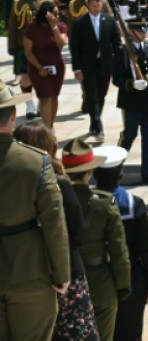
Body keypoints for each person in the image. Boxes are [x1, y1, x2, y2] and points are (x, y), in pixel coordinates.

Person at [13, 121, 98, 341]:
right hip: (65, 275)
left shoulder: (15, 181)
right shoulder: (59, 183)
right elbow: (76, 231)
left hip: (27, 272)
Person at [0, 81, 70, 341]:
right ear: (14, 115)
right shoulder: (35, 161)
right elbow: (54, 222)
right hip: (30, 273)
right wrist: (61, 273)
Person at [62, 138, 131, 341]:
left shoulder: (55, 200)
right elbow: (119, 249)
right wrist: (123, 284)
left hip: (65, 279)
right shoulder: (104, 204)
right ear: (89, 172)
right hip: (100, 284)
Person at [92, 152, 148, 341]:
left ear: (94, 174)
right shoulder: (134, 205)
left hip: (95, 277)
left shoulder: (87, 204)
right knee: (130, 333)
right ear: (120, 176)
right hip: (132, 279)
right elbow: (147, 248)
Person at [113, 17, 148, 185]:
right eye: (141, 31)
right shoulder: (122, 52)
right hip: (132, 102)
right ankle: (115, 168)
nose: (144, 33)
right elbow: (117, 79)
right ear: (132, 33)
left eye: (144, 30)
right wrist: (131, 84)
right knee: (129, 135)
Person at [70, 0, 121, 140]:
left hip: (105, 65)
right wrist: (77, 68)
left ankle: (94, 121)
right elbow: (75, 48)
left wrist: (118, 62)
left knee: (101, 95)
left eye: (98, 6)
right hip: (87, 65)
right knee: (91, 95)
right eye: (93, 6)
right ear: (88, 6)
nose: (96, 8)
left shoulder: (110, 21)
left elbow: (116, 43)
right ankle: (98, 127)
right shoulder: (80, 23)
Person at [8, 0, 53, 119]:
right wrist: (12, 45)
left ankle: (41, 103)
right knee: (25, 77)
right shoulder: (18, 2)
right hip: (23, 45)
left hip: (43, 45)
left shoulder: (47, 1)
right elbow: (13, 25)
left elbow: (54, 25)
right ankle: (29, 105)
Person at [23, 1, 67, 129]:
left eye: (58, 15)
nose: (57, 17)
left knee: (53, 96)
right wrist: (39, 68)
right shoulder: (32, 28)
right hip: (37, 68)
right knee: (45, 97)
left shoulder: (61, 26)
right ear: (45, 14)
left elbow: (60, 45)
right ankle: (46, 129)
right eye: (54, 14)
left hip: (56, 67)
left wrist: (54, 27)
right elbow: (28, 51)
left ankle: (50, 126)